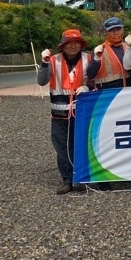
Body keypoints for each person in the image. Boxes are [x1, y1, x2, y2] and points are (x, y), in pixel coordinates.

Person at [37, 29, 92, 194]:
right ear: (63, 45)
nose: (73, 46)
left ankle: (80, 179)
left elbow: (95, 80)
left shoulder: (88, 59)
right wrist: (44, 63)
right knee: (62, 147)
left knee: (80, 146)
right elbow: (42, 81)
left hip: (81, 113)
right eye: (69, 43)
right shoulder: (53, 60)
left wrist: (87, 86)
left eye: (76, 43)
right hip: (59, 114)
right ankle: (66, 180)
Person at [88, 16, 131, 89]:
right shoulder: (99, 50)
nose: (116, 33)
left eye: (118, 29)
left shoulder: (128, 47)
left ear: (123, 29)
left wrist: (130, 47)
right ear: (106, 32)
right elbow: (90, 75)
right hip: (108, 95)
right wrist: (96, 59)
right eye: (111, 30)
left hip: (127, 94)